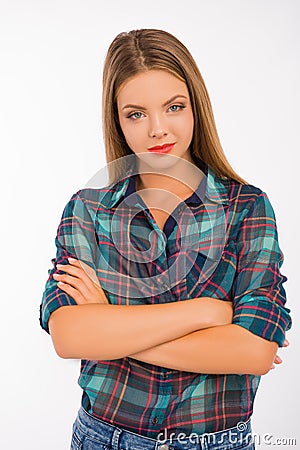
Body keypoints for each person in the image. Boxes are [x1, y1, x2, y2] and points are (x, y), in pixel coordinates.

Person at [39, 29, 292, 450]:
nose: (158, 129)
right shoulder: (90, 209)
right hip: (105, 438)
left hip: (218, 441)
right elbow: (69, 336)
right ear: (117, 120)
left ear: (196, 107)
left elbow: (254, 352)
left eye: (174, 107)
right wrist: (207, 312)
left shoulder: (246, 208)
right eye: (136, 114)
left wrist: (111, 326)